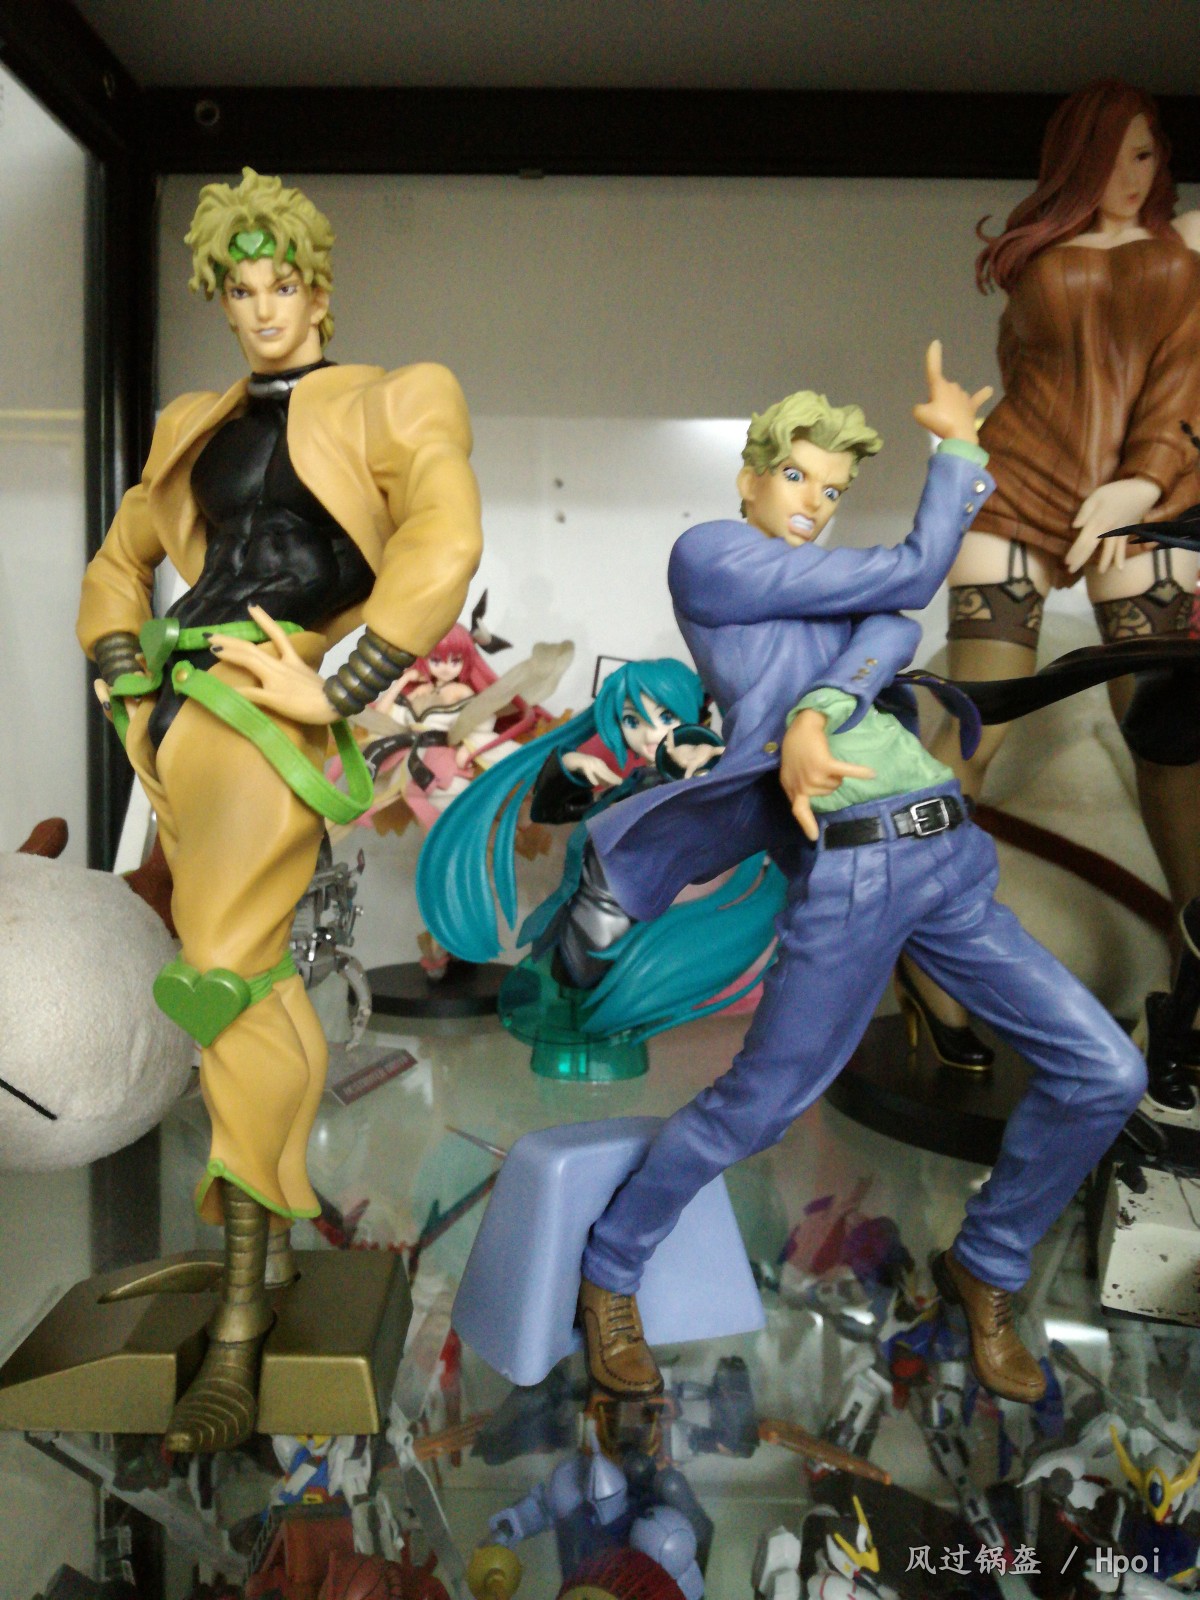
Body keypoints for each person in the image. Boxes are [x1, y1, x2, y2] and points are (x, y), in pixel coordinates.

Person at [552, 344, 1145, 1407]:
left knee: (1105, 1070)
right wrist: (958, 454)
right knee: (757, 1108)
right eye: (796, 476)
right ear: (747, 476)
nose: (813, 505)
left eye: (831, 490)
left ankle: (988, 1263)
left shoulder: (833, 595)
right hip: (857, 863)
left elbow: (894, 623)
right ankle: (611, 1269)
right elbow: (907, 584)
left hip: (947, 852)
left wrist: (822, 707)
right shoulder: (711, 557)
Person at [77, 168, 482, 1451]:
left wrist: (337, 682)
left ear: (319, 288)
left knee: (224, 976)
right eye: (240, 288)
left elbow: (445, 536)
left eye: (283, 283)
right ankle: (270, 1234)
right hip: (174, 722)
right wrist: (121, 661)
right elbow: (122, 558)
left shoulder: (393, 396)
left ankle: (243, 1321)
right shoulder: (193, 423)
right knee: (243, 985)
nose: (262, 307)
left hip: (269, 714)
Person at [918, 80, 1200, 1065]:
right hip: (1022, 485)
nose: (1136, 174)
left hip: (1142, 504)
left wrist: (1142, 484)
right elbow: (1034, 374)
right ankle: (911, 935)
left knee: (1167, 742)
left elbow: (1185, 382)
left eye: (1147, 153)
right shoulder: (1039, 251)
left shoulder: (1183, 253)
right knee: (972, 729)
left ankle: (1192, 965)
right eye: (1116, 155)